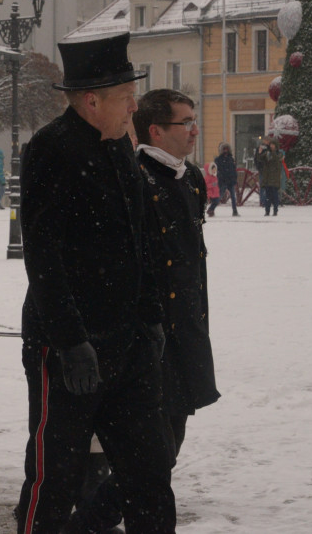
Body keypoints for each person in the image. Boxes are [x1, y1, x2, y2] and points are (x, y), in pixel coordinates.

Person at [16, 32, 174, 534]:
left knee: (150, 475)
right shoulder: (51, 149)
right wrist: (70, 341)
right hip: (70, 350)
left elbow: (139, 238)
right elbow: (43, 254)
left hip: (129, 344)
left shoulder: (120, 143)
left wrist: (151, 318)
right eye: (126, 96)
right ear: (91, 101)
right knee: (54, 479)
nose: (134, 106)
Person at [72, 89, 221, 533]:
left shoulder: (191, 178)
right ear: (155, 130)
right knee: (152, 456)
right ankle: (88, 523)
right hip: (147, 337)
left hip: (185, 333)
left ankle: (91, 522)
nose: (194, 130)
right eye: (185, 122)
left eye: (194, 120)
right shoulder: (135, 178)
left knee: (167, 447)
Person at [255, 138, 283, 216]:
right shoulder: (267, 153)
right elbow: (260, 159)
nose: (271, 146)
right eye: (271, 145)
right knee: (267, 196)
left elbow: (276, 159)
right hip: (267, 178)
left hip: (274, 178)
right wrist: (259, 153)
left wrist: (272, 152)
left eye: (273, 145)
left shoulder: (279, 154)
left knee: (275, 196)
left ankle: (275, 211)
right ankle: (267, 211)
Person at [214, 143, 239, 217]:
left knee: (233, 197)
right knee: (220, 196)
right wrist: (220, 178)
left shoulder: (231, 159)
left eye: (227, 149)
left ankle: (235, 211)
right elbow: (218, 171)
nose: (226, 151)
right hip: (223, 181)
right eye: (224, 149)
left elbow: (233, 170)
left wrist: (234, 178)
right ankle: (212, 209)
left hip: (230, 181)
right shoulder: (218, 159)